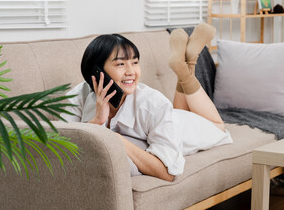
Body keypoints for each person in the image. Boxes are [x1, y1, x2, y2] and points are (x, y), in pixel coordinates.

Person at [61, 23, 233, 181]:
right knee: (177, 110)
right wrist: (96, 121)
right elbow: (60, 146)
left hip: (186, 127)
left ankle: (186, 67)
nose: (131, 72)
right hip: (169, 117)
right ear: (96, 71)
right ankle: (185, 64)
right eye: (120, 64)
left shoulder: (152, 104)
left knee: (218, 125)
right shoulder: (79, 95)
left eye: (135, 63)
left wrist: (114, 138)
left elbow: (167, 173)